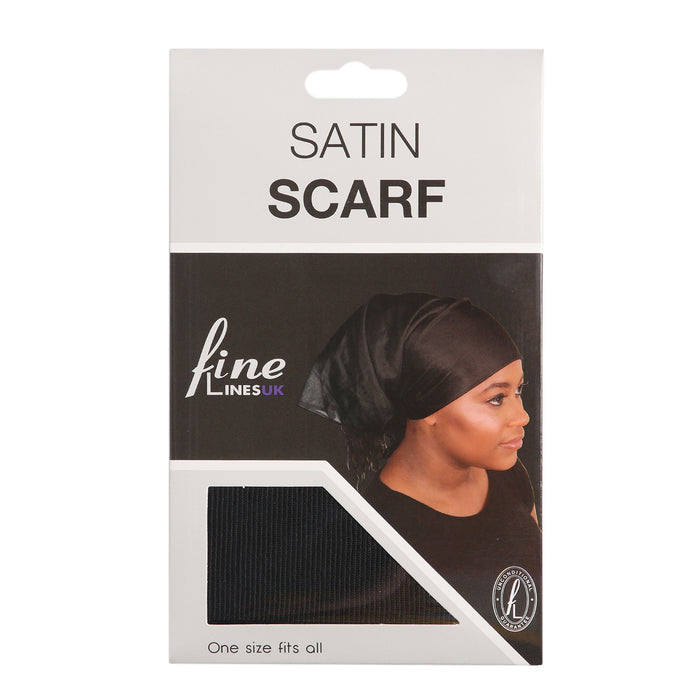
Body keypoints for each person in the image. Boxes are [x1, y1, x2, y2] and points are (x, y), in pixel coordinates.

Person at [299, 293, 542, 663]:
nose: (522, 416)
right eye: (496, 399)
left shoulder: (509, 476)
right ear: (429, 407)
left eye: (519, 390)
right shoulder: (376, 533)